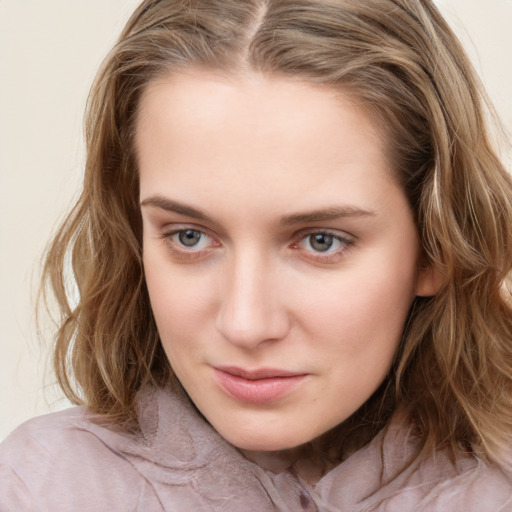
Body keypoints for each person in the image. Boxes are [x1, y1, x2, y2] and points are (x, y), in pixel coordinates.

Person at [1, 0, 512, 509]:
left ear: (437, 246)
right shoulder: (40, 490)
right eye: (189, 236)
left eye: (321, 241)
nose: (245, 325)